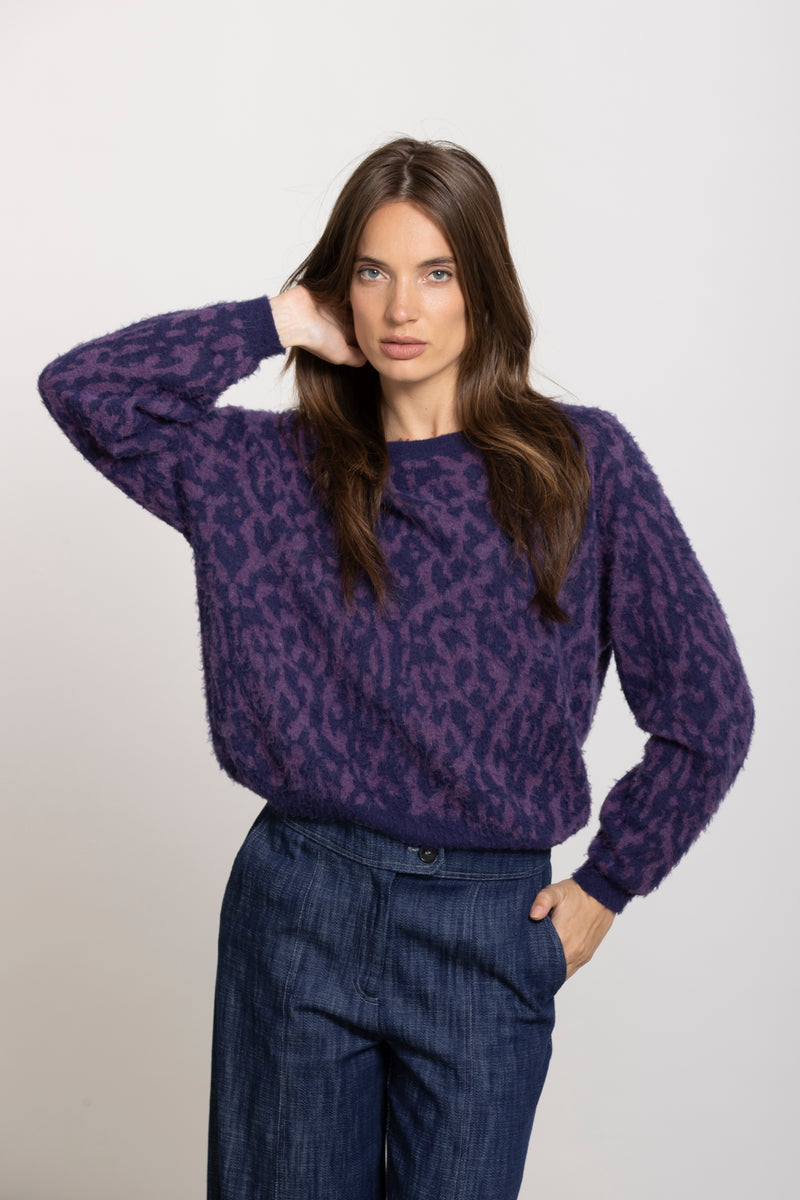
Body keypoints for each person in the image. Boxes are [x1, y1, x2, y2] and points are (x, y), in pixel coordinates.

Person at [38, 137, 754, 1200]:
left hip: (486, 925)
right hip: (299, 908)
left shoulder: (579, 467)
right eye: (372, 271)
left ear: (483, 288)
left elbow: (707, 708)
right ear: (341, 286)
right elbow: (83, 389)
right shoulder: (262, 472)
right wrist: (273, 320)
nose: (400, 307)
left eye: (437, 272)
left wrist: (608, 885)